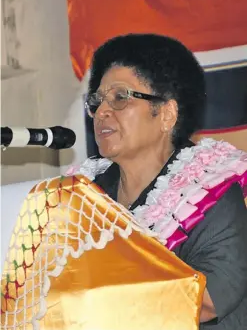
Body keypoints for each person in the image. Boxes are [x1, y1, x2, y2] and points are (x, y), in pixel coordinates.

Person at [83, 33, 247, 329]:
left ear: (167, 115)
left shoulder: (207, 193)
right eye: (97, 101)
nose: (102, 112)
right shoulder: (84, 194)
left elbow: (206, 301)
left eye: (120, 97)